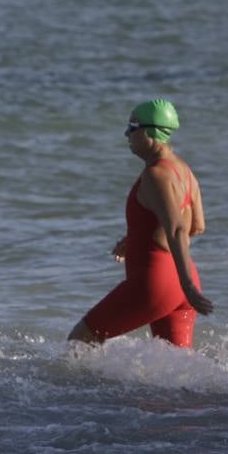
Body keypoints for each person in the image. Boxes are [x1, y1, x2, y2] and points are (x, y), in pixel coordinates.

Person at [69, 99, 213, 348]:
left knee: (79, 342)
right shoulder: (184, 170)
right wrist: (136, 237)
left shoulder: (156, 174)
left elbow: (177, 228)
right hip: (179, 281)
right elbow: (197, 225)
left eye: (132, 126)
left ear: (149, 133)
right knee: (176, 372)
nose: (127, 133)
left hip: (157, 280)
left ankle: (89, 390)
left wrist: (187, 285)